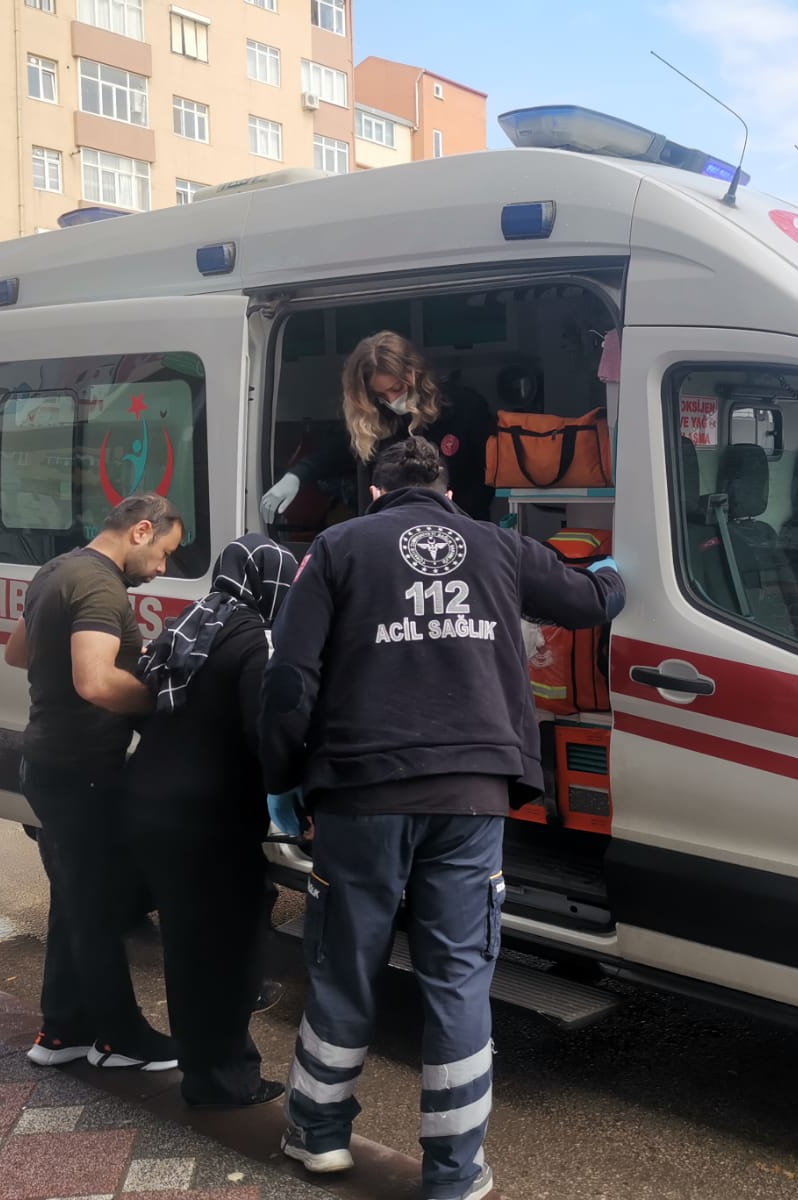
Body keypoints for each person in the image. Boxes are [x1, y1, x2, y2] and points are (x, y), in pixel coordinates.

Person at [260, 438, 625, 1200]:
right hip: (472, 796)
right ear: (448, 493)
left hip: (360, 795)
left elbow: (290, 678)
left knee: (345, 962)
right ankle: (454, 1173)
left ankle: (319, 1138)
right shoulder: (498, 544)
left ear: (374, 491)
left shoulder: (336, 546)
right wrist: (621, 572)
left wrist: (286, 782)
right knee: (459, 978)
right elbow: (590, 603)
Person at [3, 493, 184, 1072]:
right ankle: (120, 1038)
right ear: (141, 531)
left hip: (46, 762)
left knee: (76, 900)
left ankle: (63, 1031)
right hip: (80, 768)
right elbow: (96, 682)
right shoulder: (102, 586)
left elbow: (16, 651)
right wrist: (166, 700)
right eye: (163, 554)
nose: (162, 569)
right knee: (98, 906)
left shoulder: (57, 570)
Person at [128, 533, 297, 1108]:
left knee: (189, 944)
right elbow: (265, 734)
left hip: (153, 805)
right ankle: (225, 1081)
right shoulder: (255, 642)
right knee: (230, 947)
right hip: (210, 818)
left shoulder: (190, 623)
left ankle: (203, 1069)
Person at [260, 330, 494, 526]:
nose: (392, 400)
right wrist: (296, 475)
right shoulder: (376, 418)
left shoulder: (464, 407)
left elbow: (487, 478)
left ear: (414, 373)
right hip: (390, 533)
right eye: (381, 394)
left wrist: (452, 518)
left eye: (398, 388)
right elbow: (335, 454)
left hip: (461, 528)